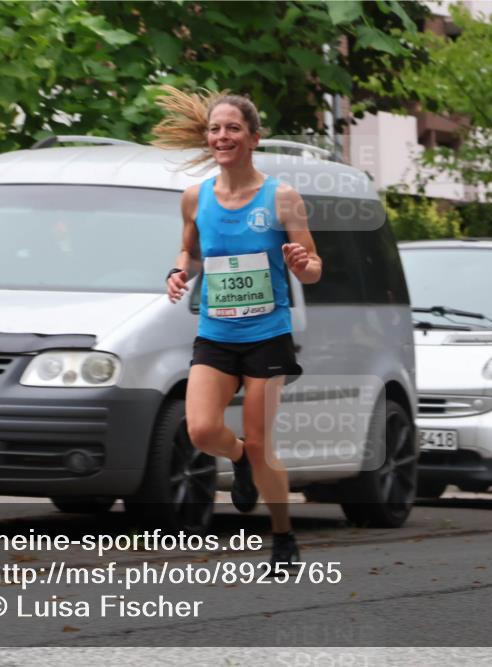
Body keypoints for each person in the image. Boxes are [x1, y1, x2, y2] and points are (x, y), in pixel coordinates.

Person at [154, 86, 322, 572]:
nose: (221, 136)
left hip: (267, 335)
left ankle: (283, 536)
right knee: (203, 430)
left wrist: (301, 261)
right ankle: (240, 459)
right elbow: (188, 251)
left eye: (232, 128)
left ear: (253, 138)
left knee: (260, 438)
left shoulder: (282, 198)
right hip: (216, 333)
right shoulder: (195, 198)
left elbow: (314, 269)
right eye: (214, 129)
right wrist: (178, 271)